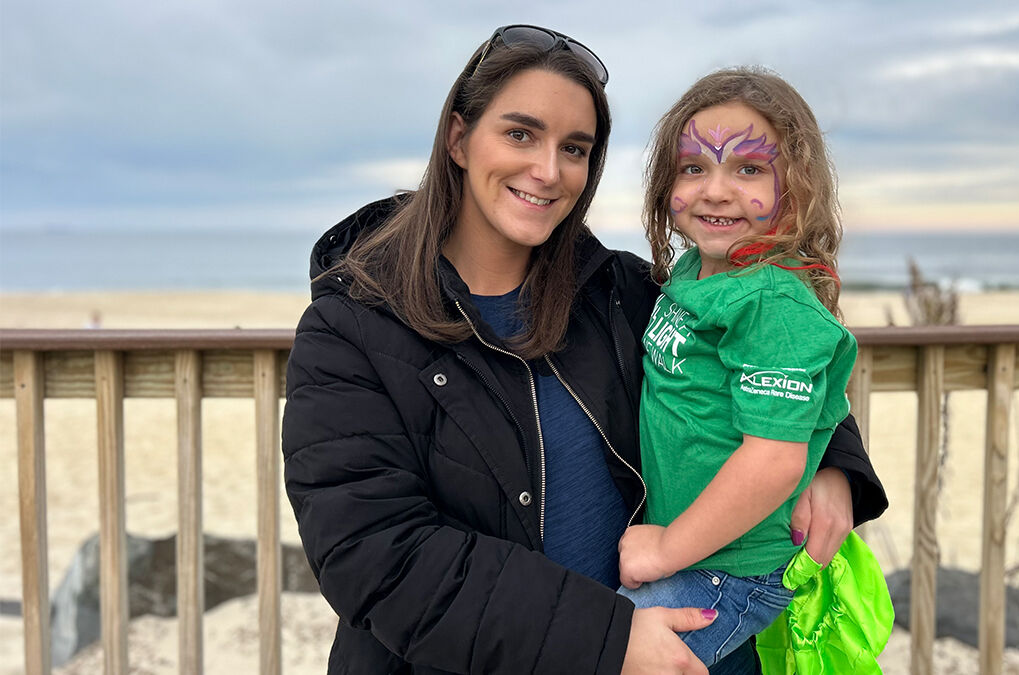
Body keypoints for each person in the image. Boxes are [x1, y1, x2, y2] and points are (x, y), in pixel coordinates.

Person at [281, 25, 887, 674]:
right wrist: (608, 638)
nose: (548, 170)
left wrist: (834, 467)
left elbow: (765, 365)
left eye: (574, 147)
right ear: (458, 138)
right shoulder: (351, 330)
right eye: (520, 133)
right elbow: (378, 554)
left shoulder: (616, 292)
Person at [615, 67, 866, 672]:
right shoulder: (692, 275)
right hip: (698, 556)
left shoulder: (771, 303)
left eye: (750, 170)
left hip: (727, 569)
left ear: (798, 189)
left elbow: (774, 458)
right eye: (693, 168)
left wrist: (667, 550)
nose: (716, 190)